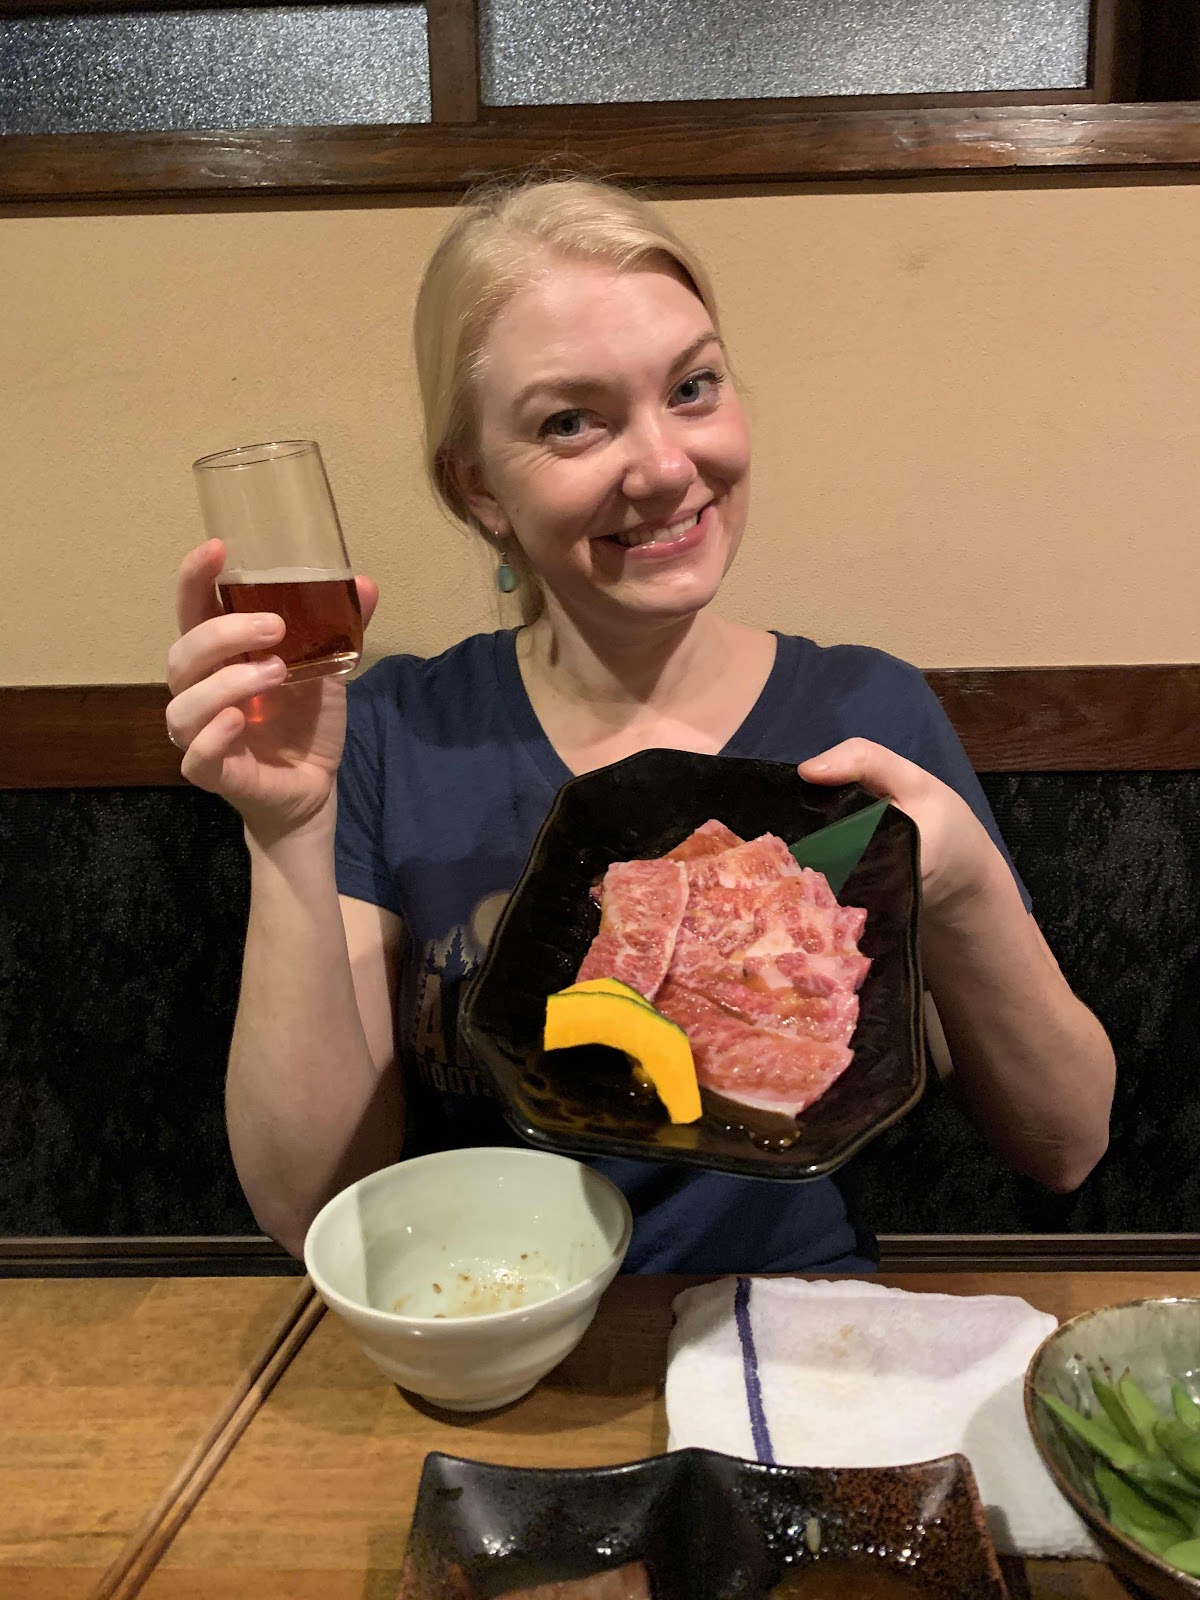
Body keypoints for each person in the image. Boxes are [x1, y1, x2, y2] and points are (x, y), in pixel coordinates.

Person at [166, 175, 1115, 1269]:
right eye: (570, 421)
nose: (666, 467)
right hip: (493, 1319)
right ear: (479, 488)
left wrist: (961, 878)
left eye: (693, 387)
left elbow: (1064, 1144)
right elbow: (312, 1205)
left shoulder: (867, 710)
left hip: (795, 1330)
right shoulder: (394, 732)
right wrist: (285, 833)